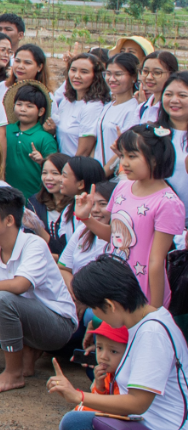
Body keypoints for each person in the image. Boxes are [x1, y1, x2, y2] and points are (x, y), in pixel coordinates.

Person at [0, 185, 78, 392]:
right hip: (24, 318)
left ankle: (13, 372)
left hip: (57, 323)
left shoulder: (33, 244)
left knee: (4, 298)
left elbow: (20, 286)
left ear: (9, 220)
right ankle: (25, 352)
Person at [48, 255, 188, 430]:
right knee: (73, 423)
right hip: (141, 424)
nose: (95, 315)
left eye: (94, 308)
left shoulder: (153, 333)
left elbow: (137, 404)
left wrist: (78, 395)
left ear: (110, 306)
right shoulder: (142, 320)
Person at [77, 125, 185, 309]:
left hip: (142, 294)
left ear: (155, 159)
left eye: (132, 156)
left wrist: (155, 310)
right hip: (116, 285)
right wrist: (86, 219)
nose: (124, 163)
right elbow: (115, 235)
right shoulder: (122, 187)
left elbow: (156, 260)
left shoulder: (168, 202)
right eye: (122, 156)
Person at [79, 52, 142, 175]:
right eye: (108, 74)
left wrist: (102, 175)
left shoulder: (134, 110)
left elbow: (121, 151)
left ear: (134, 77)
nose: (112, 79)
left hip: (114, 176)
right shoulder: (107, 106)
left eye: (118, 74)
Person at [2, 84, 59, 201]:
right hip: (6, 195)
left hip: (35, 197)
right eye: (19, 104)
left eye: (29, 106)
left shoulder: (45, 138)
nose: (23, 109)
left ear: (41, 111)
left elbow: (54, 168)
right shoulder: (5, 131)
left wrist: (41, 161)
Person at [50, 52, 109, 158]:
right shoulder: (66, 101)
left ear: (95, 76)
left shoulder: (93, 107)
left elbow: (83, 153)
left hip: (75, 169)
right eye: (73, 70)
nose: (76, 76)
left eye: (84, 72)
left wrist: (68, 172)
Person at [158, 73, 188, 204]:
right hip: (157, 214)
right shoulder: (151, 133)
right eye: (168, 94)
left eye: (182, 95)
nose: (174, 100)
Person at [137, 51, 178, 123]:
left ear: (172, 74)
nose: (149, 77)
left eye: (157, 72)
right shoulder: (141, 108)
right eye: (145, 71)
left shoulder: (176, 109)